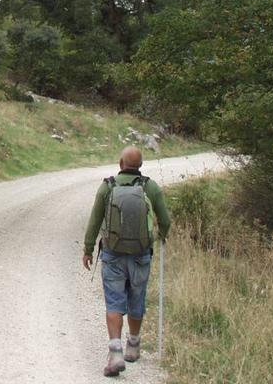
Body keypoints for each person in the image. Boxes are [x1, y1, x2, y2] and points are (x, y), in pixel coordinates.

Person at [81, 146, 171, 377]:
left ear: (121, 163)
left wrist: (88, 249)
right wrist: (159, 237)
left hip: (113, 253)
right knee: (137, 297)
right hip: (141, 254)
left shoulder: (107, 186)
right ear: (140, 165)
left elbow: (94, 220)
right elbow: (165, 220)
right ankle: (133, 345)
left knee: (114, 301)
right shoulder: (149, 187)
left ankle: (116, 353)